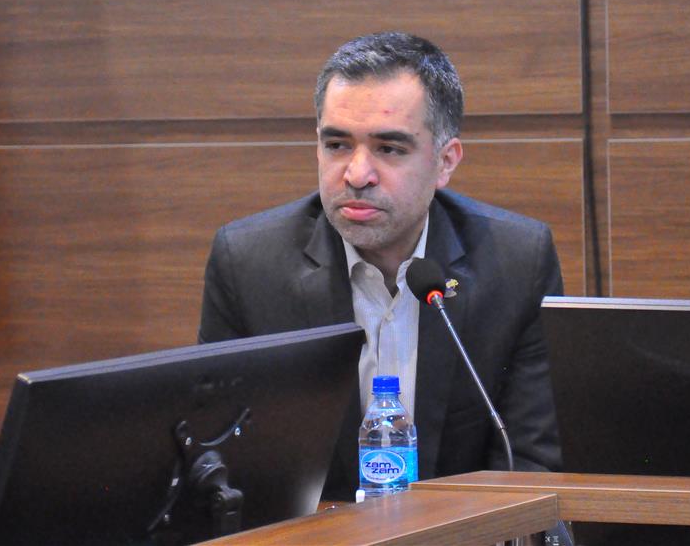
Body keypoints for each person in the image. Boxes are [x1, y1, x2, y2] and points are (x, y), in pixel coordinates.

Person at [198, 31, 562, 499]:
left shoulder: (516, 263)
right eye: (337, 145)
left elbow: (529, 463)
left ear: (445, 161)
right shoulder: (248, 265)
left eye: (389, 149)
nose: (357, 174)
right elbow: (221, 460)